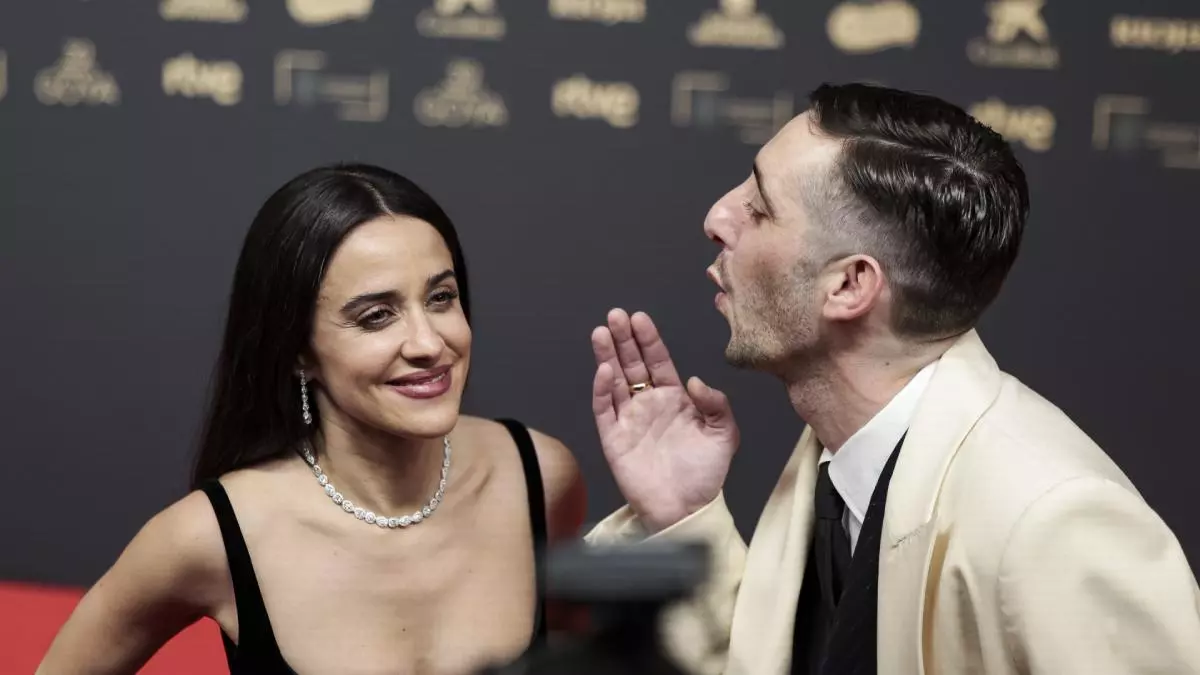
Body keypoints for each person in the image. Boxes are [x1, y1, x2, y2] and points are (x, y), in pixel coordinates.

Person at [584, 82, 1200, 675]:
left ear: (849, 285)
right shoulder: (837, 457)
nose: (717, 217)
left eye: (760, 208)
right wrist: (683, 515)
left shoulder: (1054, 521)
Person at [36, 163, 587, 675]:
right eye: (377, 316)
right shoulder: (211, 536)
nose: (428, 343)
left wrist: (647, 515)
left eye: (441, 298)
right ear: (299, 350)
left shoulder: (541, 478)